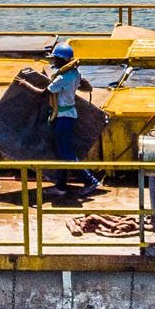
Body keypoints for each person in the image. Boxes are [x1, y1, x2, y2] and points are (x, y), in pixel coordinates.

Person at [22, 43, 99, 198]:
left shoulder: (63, 78)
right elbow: (87, 87)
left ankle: (90, 181)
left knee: (67, 153)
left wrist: (24, 84)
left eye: (55, 59)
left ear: (62, 60)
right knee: (61, 153)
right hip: (69, 114)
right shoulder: (75, 74)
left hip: (63, 118)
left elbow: (44, 93)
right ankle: (61, 186)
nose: (53, 62)